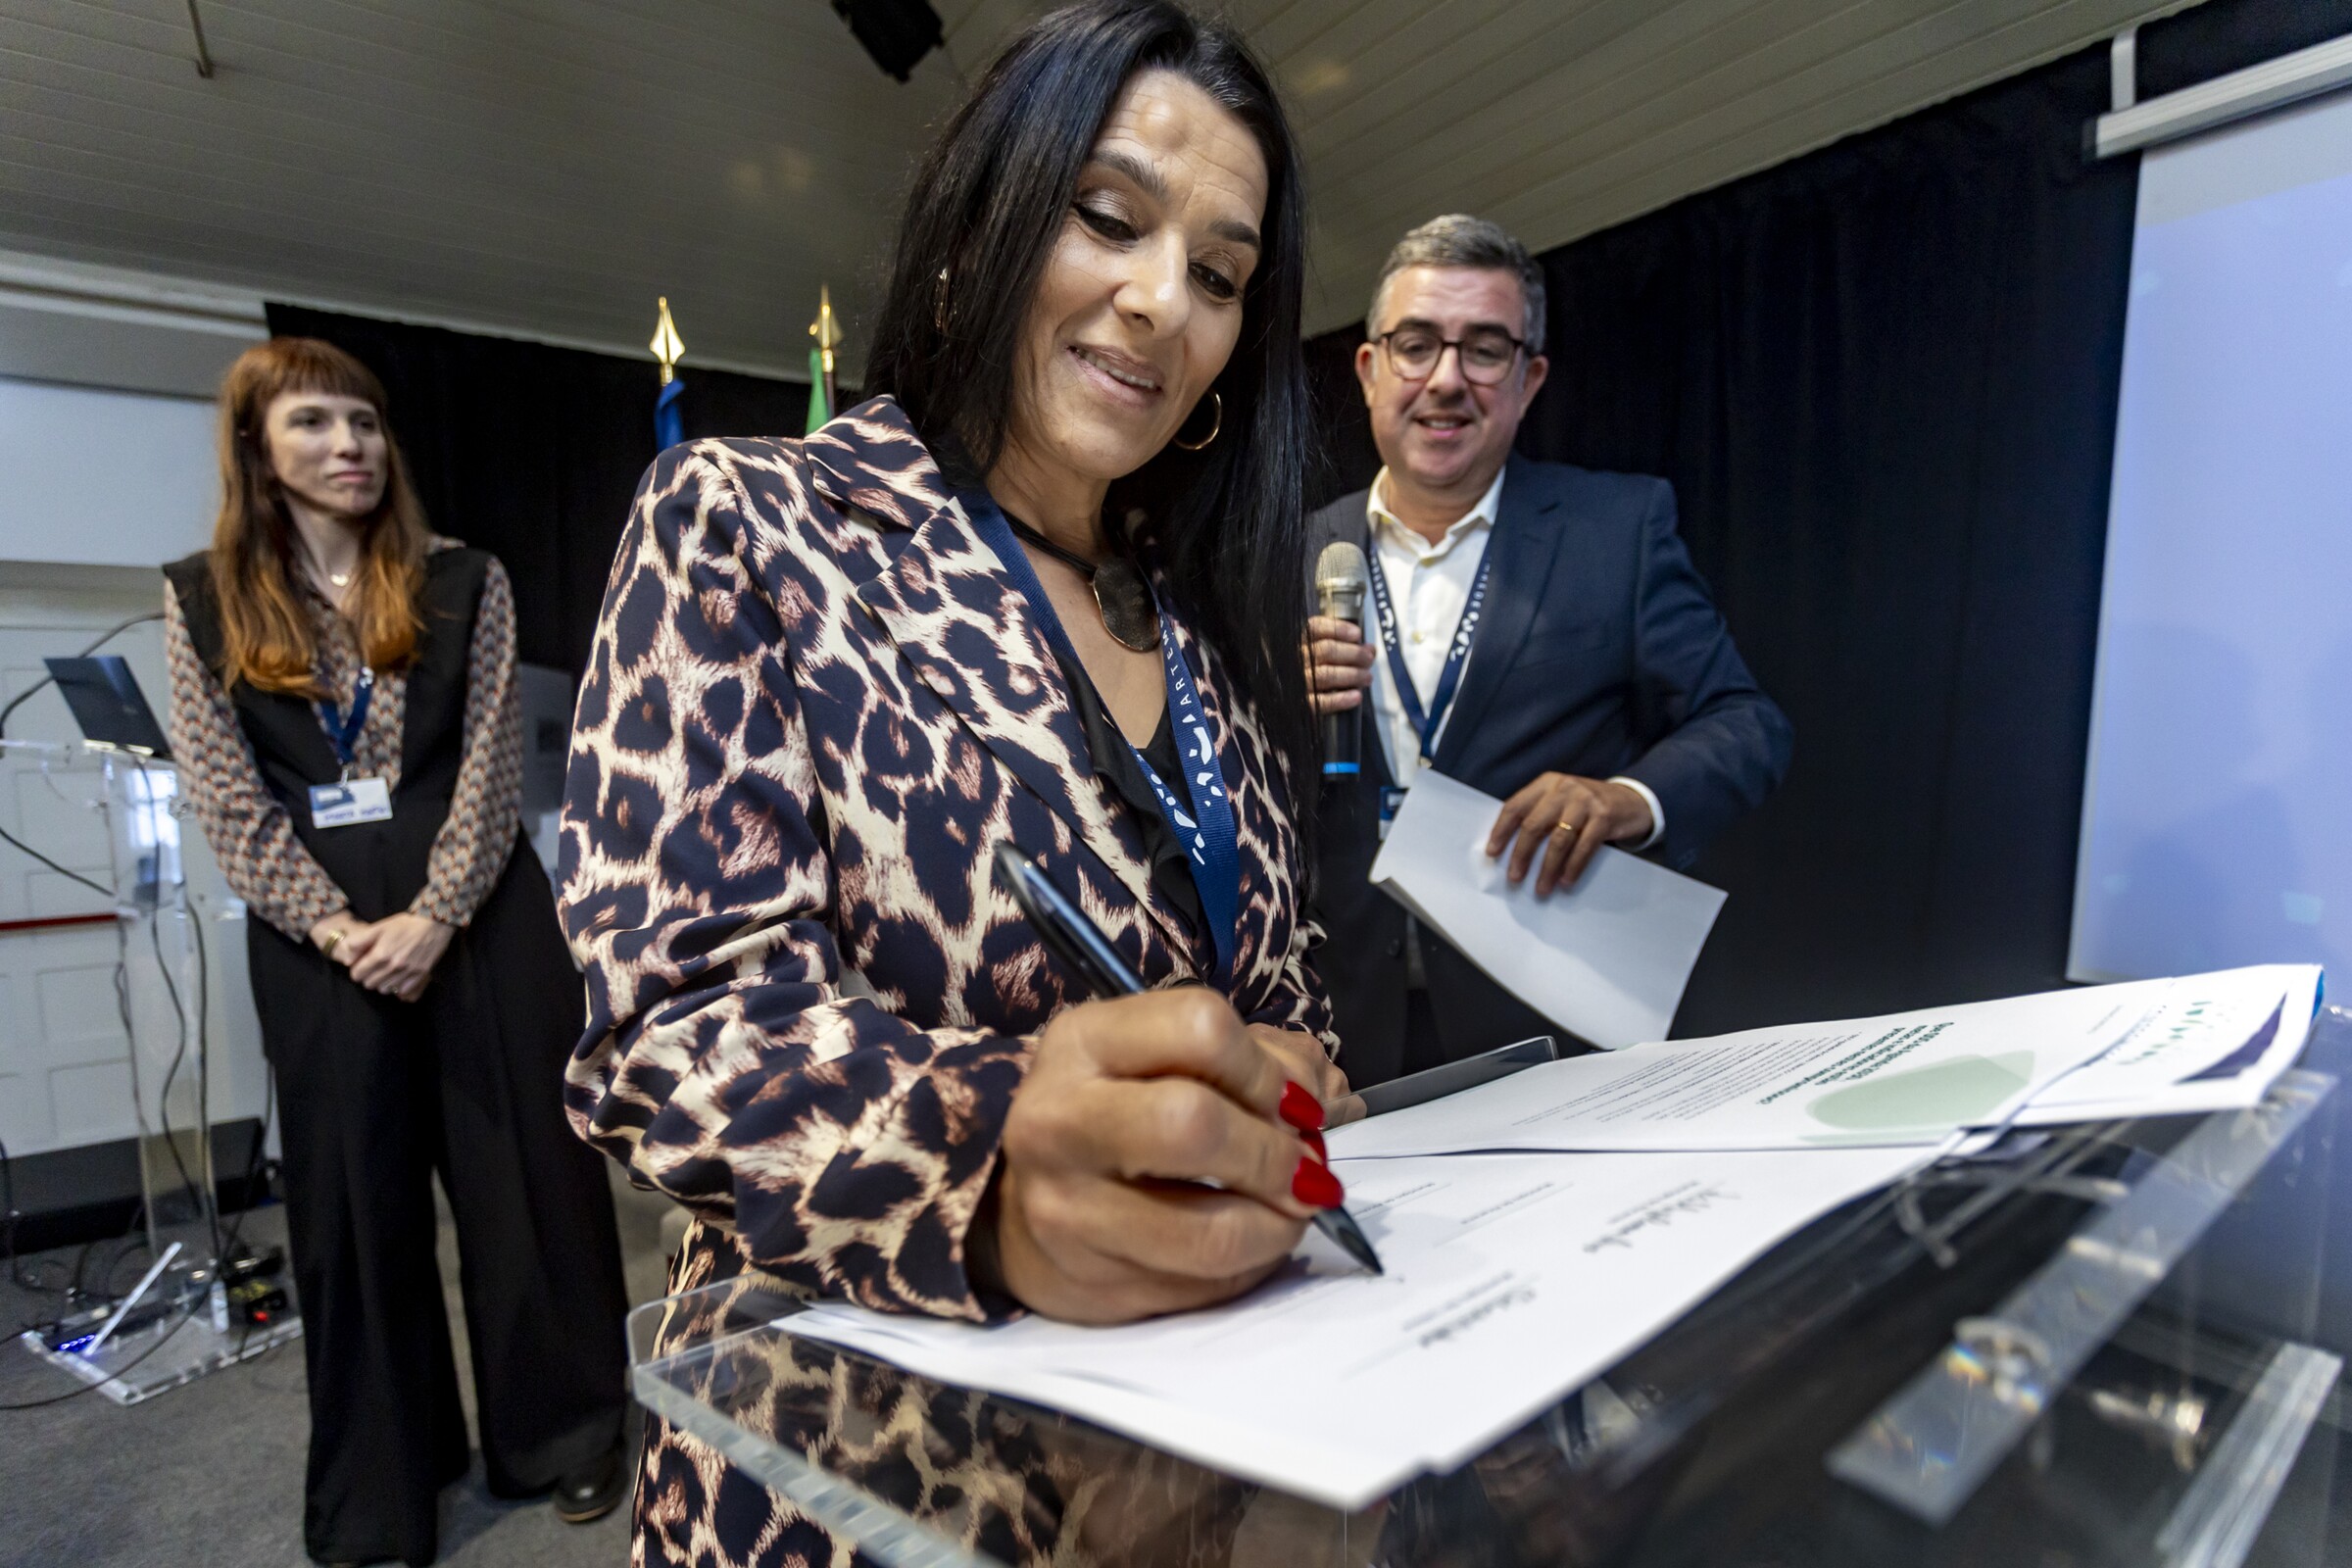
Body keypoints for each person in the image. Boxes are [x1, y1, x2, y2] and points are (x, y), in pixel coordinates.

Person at [557, 3, 1346, 1561]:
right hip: (855, 1468)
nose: (1160, 301)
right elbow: (673, 1036)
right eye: (1107, 217)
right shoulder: (751, 522)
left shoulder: (1199, 633)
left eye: (1219, 276)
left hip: (1194, 1452)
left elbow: (1288, 985)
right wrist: (986, 1170)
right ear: (977, 230)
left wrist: (1293, 1068)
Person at [164, 338, 630, 1566]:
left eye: (364, 422)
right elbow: (224, 792)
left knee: (529, 1183)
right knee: (351, 1213)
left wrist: (434, 913)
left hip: (478, 916)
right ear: (257, 448)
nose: (349, 445)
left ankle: (567, 1433)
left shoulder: (464, 578)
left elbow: (490, 760)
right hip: (315, 934)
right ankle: (387, 1480)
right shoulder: (203, 598)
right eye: (313, 422)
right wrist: (333, 925)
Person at [1307, 216, 1792, 1084]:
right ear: (1371, 369)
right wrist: (1275, 702)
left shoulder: (1618, 529)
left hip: (1553, 1024)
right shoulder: (1289, 552)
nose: (1446, 379)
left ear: (1528, 379)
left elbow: (1747, 724)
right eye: (1416, 345)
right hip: (1346, 1029)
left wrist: (1623, 799)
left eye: (1485, 350)